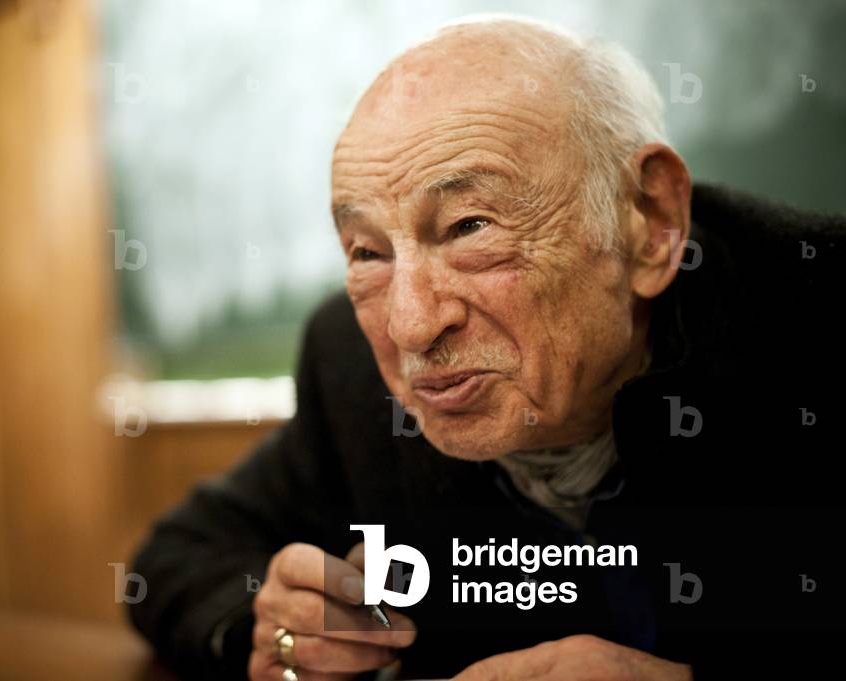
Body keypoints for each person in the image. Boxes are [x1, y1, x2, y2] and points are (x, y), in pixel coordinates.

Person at [129, 14, 844, 681]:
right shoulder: (346, 363)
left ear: (649, 220)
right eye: (367, 251)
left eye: (469, 226)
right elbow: (179, 554)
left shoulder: (813, 311)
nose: (410, 327)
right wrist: (270, 623)